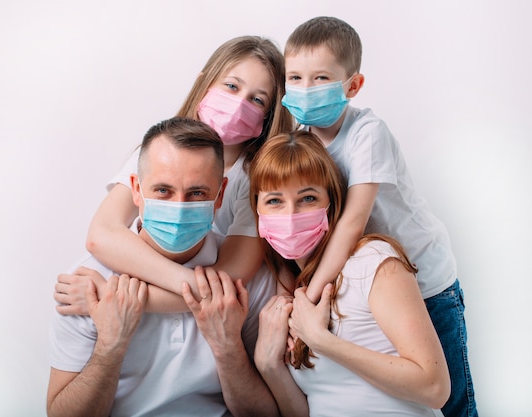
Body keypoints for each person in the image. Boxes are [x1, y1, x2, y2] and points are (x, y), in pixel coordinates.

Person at [279, 16, 477, 416]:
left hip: (426, 280)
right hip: (375, 283)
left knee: (451, 396)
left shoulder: (368, 132)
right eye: (295, 78)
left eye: (320, 78)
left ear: (352, 86)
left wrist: (309, 297)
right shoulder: (303, 136)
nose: (305, 89)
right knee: (389, 384)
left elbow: (352, 221)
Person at [47, 117, 279, 417]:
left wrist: (228, 347)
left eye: (196, 193)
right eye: (163, 191)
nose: (179, 207)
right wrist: (110, 346)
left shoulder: (248, 281)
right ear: (135, 189)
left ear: (220, 195)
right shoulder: (87, 285)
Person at [54, 35, 294, 314]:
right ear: (204, 83)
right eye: (231, 86)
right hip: (190, 299)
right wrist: (189, 282)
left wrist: (109, 298)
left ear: (268, 114)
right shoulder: (159, 150)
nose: (239, 105)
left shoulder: (260, 180)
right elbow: (102, 235)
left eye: (256, 99)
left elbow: (228, 281)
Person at [250, 131, 450, 416]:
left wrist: (322, 341)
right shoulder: (290, 295)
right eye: (274, 201)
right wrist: (268, 366)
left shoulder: (371, 261)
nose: (291, 215)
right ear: (256, 209)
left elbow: (434, 388)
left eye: (307, 198)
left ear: (331, 202)